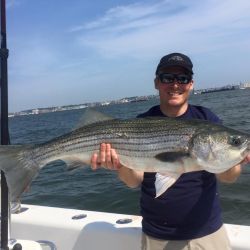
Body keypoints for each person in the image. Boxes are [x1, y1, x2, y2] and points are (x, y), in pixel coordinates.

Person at [90, 52, 250, 250]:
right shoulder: (140, 123)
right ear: (156, 82)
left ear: (190, 84)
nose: (175, 85)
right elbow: (132, 181)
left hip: (207, 232)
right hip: (157, 236)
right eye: (167, 78)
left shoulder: (207, 119)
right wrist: (121, 163)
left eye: (183, 79)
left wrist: (236, 156)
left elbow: (228, 178)